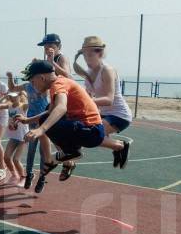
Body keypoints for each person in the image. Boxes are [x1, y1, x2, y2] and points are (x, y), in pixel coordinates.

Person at [20, 60, 130, 193]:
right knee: (47, 116)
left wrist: (41, 129)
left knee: (47, 121)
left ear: (41, 77)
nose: (33, 85)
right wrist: (27, 120)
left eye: (32, 81)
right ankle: (64, 155)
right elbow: (50, 112)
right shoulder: (59, 83)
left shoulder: (58, 84)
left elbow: (61, 108)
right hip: (90, 131)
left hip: (91, 132)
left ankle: (69, 152)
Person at [73, 36, 133, 167]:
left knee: (91, 135)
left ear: (99, 53)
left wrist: (87, 101)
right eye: (85, 56)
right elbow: (88, 96)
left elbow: (109, 99)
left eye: (90, 55)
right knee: (78, 129)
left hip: (119, 115)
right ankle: (116, 147)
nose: (87, 59)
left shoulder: (107, 70)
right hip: (104, 114)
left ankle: (120, 146)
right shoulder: (88, 73)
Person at [7, 68, 49, 189]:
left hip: (43, 122)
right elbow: (13, 88)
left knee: (43, 152)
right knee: (31, 150)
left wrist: (44, 64)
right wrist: (10, 77)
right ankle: (29, 174)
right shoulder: (27, 86)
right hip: (31, 121)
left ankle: (42, 177)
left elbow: (49, 79)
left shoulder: (43, 87)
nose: (31, 79)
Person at [0, 91, 40, 183]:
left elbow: (33, 103)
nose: (13, 98)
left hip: (23, 137)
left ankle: (23, 178)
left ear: (19, 96)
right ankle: (14, 175)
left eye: (14, 96)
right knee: (6, 158)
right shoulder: (9, 105)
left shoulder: (23, 106)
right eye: (11, 97)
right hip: (13, 137)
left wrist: (25, 94)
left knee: (16, 159)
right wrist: (4, 97)